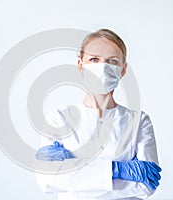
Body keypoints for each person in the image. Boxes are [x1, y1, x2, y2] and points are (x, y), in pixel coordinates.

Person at [35, 29, 161, 200]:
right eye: (94, 59)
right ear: (81, 65)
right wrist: (118, 170)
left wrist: (75, 176)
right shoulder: (58, 119)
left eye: (112, 61)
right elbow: (48, 179)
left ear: (123, 70)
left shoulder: (139, 121)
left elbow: (147, 185)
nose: (102, 67)